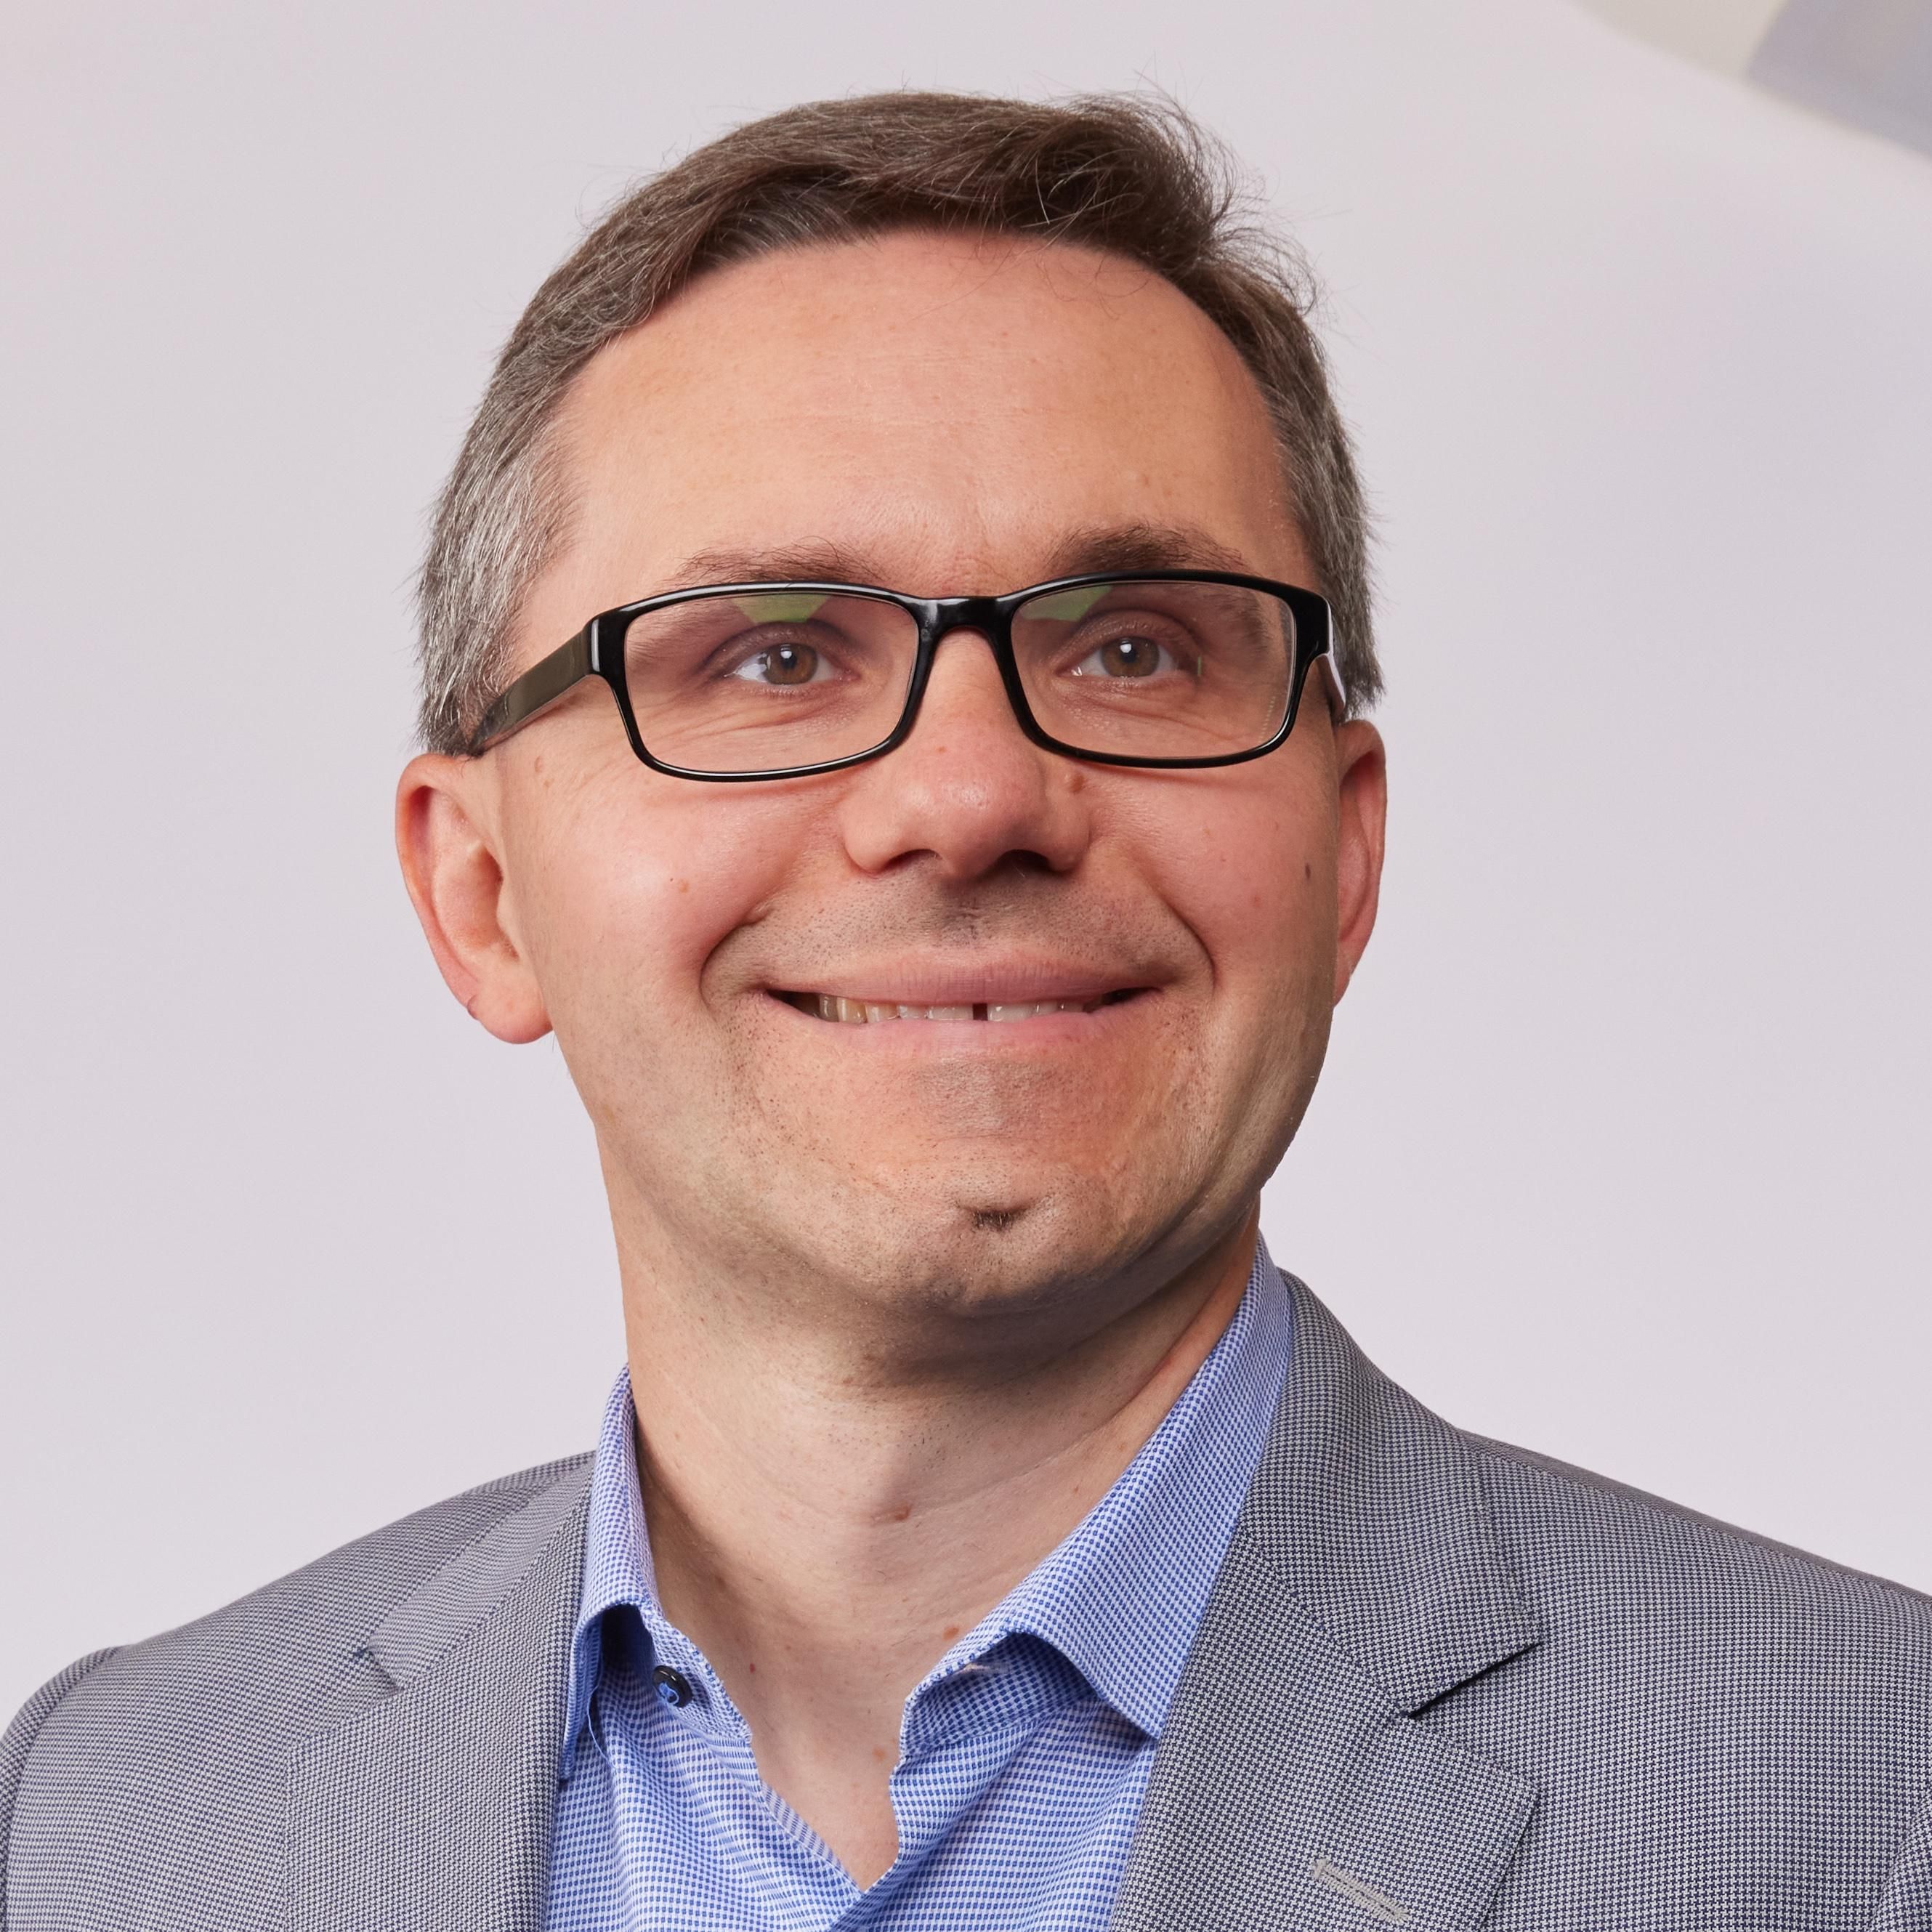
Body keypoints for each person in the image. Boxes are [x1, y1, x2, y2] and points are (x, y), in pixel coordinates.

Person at [4, 90, 1928, 1932]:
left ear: (1342, 854)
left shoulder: (1871, 1805)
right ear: (483, 892)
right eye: (773, 655)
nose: (969, 794)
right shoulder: (92, 1823)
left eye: (1134, 648)